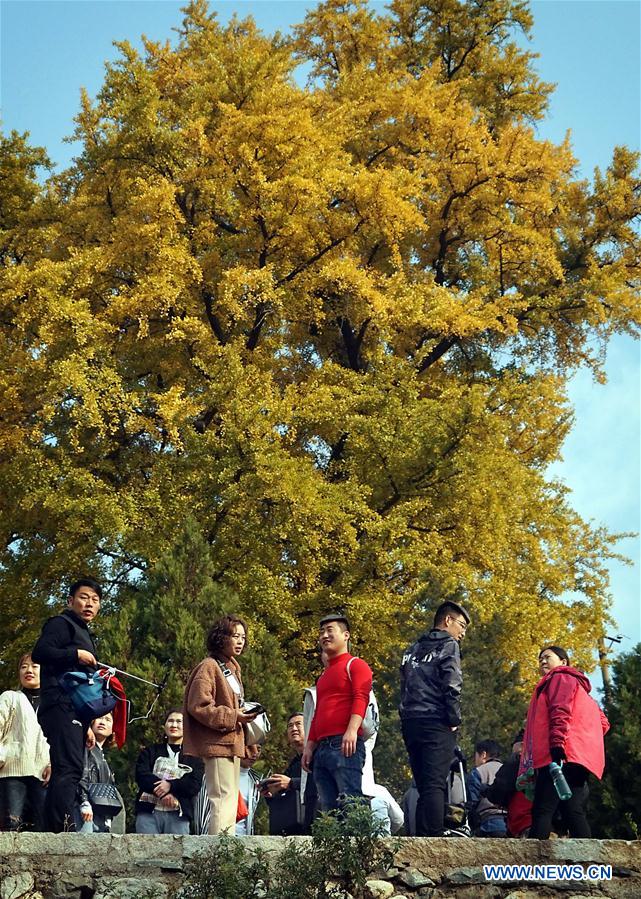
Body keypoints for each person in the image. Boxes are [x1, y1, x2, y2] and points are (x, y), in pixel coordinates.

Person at [32, 577, 103, 832]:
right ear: (70, 600)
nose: (89, 604)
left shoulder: (85, 632)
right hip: (59, 704)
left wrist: (87, 724)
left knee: (70, 766)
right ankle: (59, 828)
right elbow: (40, 651)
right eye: (84, 597)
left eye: (95, 600)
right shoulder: (61, 624)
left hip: (75, 709)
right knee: (68, 767)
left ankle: (55, 825)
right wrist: (75, 654)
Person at [518, 645, 609, 839]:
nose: (542, 661)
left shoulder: (559, 677)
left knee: (543, 809)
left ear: (563, 662)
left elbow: (560, 709)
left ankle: (535, 864)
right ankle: (586, 862)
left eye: (547, 657)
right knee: (572, 809)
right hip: (577, 757)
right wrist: (582, 741)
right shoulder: (582, 691)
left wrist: (558, 743)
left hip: (558, 754)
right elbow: (602, 723)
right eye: (540, 658)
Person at [183, 614, 260, 834]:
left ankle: (225, 847)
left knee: (229, 798)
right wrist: (233, 715)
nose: (240, 641)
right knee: (222, 798)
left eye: (243, 637)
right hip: (217, 743)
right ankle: (220, 852)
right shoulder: (209, 666)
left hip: (232, 742)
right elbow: (198, 705)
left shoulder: (232, 668)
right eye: (235, 636)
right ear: (221, 637)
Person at [399, 600, 470, 836]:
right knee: (436, 782)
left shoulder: (412, 648)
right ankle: (434, 836)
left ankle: (420, 835)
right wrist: (453, 719)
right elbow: (452, 685)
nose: (462, 632)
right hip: (436, 720)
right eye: (461, 625)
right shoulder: (448, 645)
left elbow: (404, 684)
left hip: (410, 722)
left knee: (422, 783)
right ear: (447, 620)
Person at [301, 613, 373, 813]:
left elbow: (361, 698)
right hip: (321, 748)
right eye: (321, 632)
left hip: (344, 744)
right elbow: (318, 713)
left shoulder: (356, 665)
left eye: (330, 630)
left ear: (346, 635)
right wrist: (309, 746)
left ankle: (356, 843)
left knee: (350, 801)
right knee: (329, 810)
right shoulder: (323, 676)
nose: (324, 635)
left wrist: (352, 730)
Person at [0, 654, 50, 831]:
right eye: (24, 667)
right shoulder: (10, 697)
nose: (29, 670)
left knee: (43, 827)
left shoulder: (53, 702)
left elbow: (61, 739)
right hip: (12, 771)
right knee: (11, 825)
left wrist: (54, 764)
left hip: (43, 774)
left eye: (35, 666)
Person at [135, 708, 204, 835]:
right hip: (148, 813)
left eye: (179, 721)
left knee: (177, 854)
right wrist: (163, 792)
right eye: (170, 721)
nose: (174, 725)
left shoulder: (194, 757)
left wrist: (171, 786)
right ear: (165, 726)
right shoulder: (150, 751)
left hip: (179, 815)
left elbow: (194, 784)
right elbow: (142, 775)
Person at [263, 712, 318, 835]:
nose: (294, 728)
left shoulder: (319, 755)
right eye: (290, 726)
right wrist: (271, 792)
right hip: (297, 828)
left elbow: (320, 783)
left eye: (298, 724)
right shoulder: (293, 764)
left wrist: (291, 783)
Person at [76, 712, 121, 834]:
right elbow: (83, 773)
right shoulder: (86, 746)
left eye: (107, 720)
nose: (102, 722)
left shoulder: (101, 753)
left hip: (100, 812)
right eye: (99, 718)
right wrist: (84, 801)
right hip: (86, 808)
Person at [466, 739, 507, 836]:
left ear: (483, 754)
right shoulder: (507, 769)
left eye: (475, 755)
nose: (474, 760)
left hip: (487, 823)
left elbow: (472, 801)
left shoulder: (478, 771)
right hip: (508, 823)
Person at [236, 745, 262, 836]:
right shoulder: (219, 774)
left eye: (258, 749)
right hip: (217, 836)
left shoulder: (256, 781)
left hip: (243, 837)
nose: (254, 754)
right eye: (250, 748)